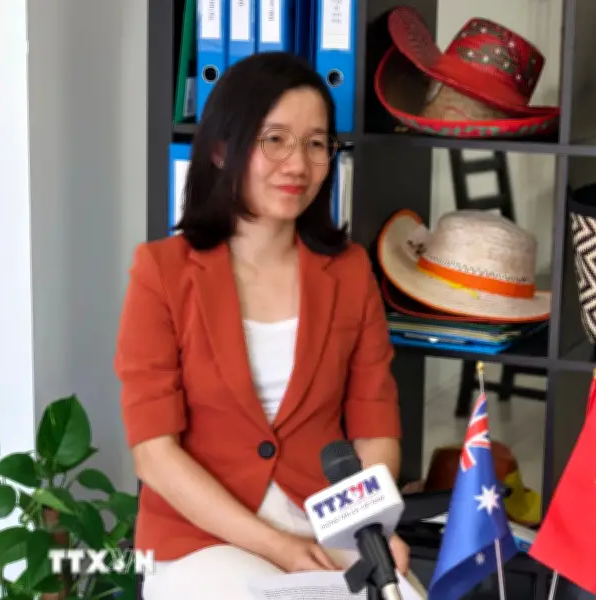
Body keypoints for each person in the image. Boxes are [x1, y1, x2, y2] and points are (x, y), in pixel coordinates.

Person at [115, 51, 426, 598]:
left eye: (316, 143)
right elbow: (155, 454)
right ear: (220, 149)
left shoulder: (350, 271)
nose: (298, 164)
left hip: (324, 519)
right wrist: (277, 547)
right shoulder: (161, 271)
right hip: (201, 534)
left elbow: (373, 426)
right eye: (274, 139)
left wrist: (371, 531)